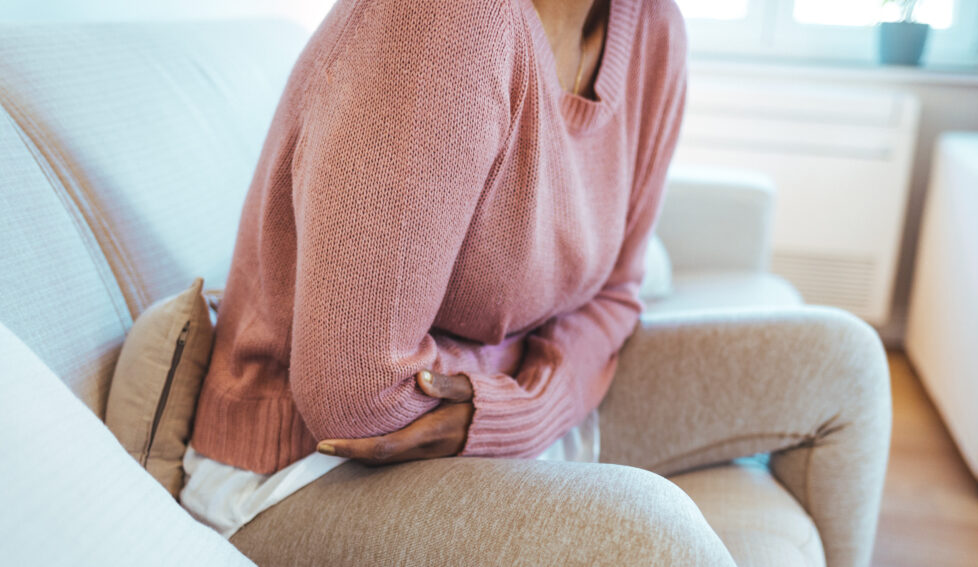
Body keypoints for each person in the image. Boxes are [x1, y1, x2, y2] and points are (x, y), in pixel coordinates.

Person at [183, 0, 687, 537]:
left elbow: (616, 294)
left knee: (787, 368)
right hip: (306, 468)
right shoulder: (445, 16)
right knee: (655, 539)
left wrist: (529, 404)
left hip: (490, 419)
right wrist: (529, 381)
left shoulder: (654, 29)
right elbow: (357, 394)